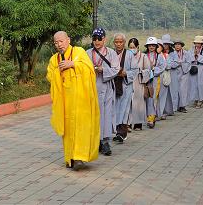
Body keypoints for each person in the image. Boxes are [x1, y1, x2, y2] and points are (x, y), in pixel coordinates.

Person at [47, 31, 100, 171]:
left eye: (61, 41)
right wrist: (57, 72)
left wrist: (73, 64)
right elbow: (50, 76)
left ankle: (79, 157)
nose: (59, 45)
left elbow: (90, 70)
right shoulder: (54, 59)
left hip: (81, 100)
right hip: (65, 102)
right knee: (68, 130)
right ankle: (69, 157)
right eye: (56, 42)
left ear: (68, 40)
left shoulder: (79, 52)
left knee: (81, 128)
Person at [86, 28, 120, 156]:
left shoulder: (111, 53)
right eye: (94, 38)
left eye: (99, 38)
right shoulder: (87, 53)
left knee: (106, 114)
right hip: (92, 87)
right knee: (93, 115)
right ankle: (95, 141)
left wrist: (103, 69)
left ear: (104, 39)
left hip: (106, 88)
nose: (97, 41)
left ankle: (105, 141)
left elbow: (116, 69)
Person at [113, 33, 138, 143]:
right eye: (116, 42)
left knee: (124, 109)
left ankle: (122, 133)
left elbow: (135, 70)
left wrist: (126, 73)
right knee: (114, 109)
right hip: (113, 85)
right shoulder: (111, 54)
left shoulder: (129, 55)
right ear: (114, 43)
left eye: (121, 42)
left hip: (125, 85)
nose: (118, 44)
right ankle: (115, 131)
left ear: (124, 43)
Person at [128, 38, 151, 131]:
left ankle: (138, 123)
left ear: (137, 47)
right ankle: (128, 123)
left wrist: (141, 72)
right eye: (130, 47)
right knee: (128, 103)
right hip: (129, 82)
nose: (132, 49)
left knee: (138, 104)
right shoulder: (127, 56)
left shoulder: (143, 56)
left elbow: (148, 70)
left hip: (139, 82)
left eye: (133, 47)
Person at [145, 37, 166, 128]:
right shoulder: (144, 55)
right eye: (150, 45)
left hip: (155, 79)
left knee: (153, 98)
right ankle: (146, 117)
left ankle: (151, 118)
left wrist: (153, 70)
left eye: (153, 45)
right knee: (146, 98)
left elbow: (162, 67)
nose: (151, 47)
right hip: (145, 79)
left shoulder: (159, 56)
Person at [189, 35, 203, 108]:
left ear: (201, 44)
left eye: (199, 43)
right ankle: (195, 99)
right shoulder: (191, 49)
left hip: (201, 68)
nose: (197, 44)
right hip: (193, 67)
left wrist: (197, 55)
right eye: (196, 43)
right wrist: (194, 55)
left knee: (200, 84)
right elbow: (189, 58)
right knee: (193, 84)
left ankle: (200, 100)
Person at [173, 39, 192, 112]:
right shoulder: (172, 53)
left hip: (184, 72)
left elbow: (189, 63)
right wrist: (178, 63)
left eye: (179, 44)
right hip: (175, 72)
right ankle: (175, 106)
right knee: (175, 90)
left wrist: (181, 64)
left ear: (181, 46)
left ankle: (182, 106)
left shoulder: (186, 53)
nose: (177, 46)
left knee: (183, 90)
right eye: (176, 44)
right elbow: (171, 63)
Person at [161, 34, 176, 118]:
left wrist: (167, 65)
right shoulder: (159, 53)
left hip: (170, 74)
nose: (165, 46)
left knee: (169, 93)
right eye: (164, 44)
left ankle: (168, 110)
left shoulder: (172, 53)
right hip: (161, 75)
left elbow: (175, 63)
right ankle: (162, 110)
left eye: (166, 44)